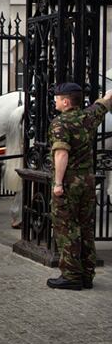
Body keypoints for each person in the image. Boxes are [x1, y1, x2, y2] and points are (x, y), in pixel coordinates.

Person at [47, 83, 112, 290]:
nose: (55, 101)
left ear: (66, 101)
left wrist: (58, 183)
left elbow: (61, 153)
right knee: (85, 227)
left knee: (67, 228)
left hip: (69, 183)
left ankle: (71, 276)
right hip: (87, 181)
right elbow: (104, 102)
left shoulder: (60, 123)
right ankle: (87, 274)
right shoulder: (88, 117)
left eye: (57, 98)